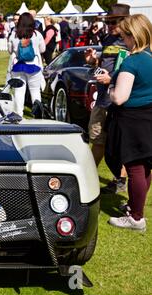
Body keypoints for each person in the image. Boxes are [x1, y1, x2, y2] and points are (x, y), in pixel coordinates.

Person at [106, 14, 152, 231]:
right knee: (145, 166)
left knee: (134, 166)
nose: (122, 40)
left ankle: (136, 217)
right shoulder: (151, 56)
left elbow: (120, 97)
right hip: (148, 114)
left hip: (133, 118)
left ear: (133, 36)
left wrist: (110, 89)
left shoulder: (132, 61)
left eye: (124, 36)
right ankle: (136, 208)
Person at [85, 4, 131, 193]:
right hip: (103, 98)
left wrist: (111, 79)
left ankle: (119, 180)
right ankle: (87, 176)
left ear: (125, 21)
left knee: (118, 143)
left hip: (121, 100)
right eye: (108, 21)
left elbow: (133, 72)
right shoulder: (108, 38)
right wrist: (93, 61)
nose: (110, 25)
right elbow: (106, 63)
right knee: (97, 138)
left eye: (114, 22)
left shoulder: (132, 42)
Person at [8, 12, 45, 117]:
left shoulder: (14, 35)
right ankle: (37, 114)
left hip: (18, 66)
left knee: (19, 91)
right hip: (34, 66)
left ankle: (19, 113)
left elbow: (10, 51)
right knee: (35, 91)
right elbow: (43, 49)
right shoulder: (37, 35)